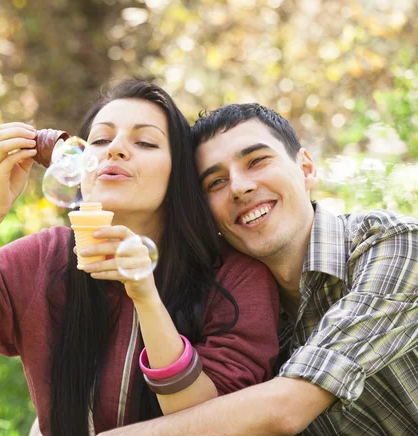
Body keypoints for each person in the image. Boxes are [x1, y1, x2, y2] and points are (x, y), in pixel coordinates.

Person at [0, 82, 280, 436]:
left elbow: (205, 421)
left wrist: (145, 296)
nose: (116, 149)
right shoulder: (45, 258)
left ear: (179, 174)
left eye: (144, 142)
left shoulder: (235, 277)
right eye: (101, 140)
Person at [100, 103, 418, 436]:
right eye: (216, 182)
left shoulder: (392, 244)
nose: (239, 187)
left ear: (306, 168)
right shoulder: (232, 304)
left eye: (257, 161)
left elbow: (288, 407)